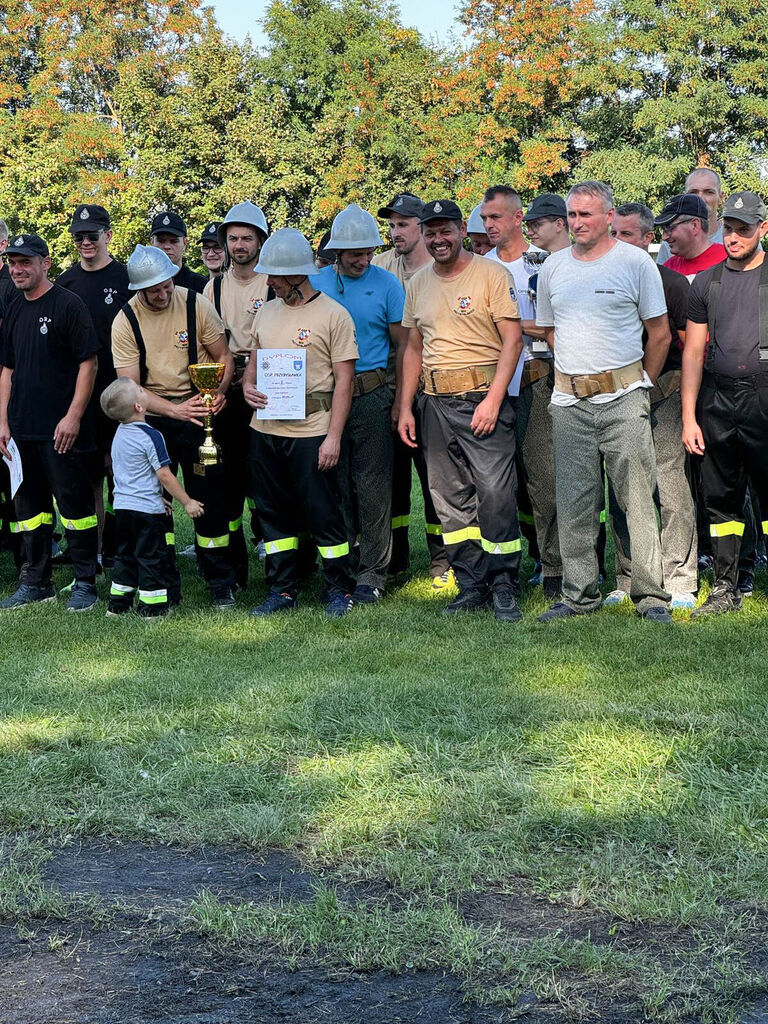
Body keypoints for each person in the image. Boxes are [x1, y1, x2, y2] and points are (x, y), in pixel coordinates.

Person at [535, 180, 673, 622]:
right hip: (568, 401)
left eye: (586, 215)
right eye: (572, 215)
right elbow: (550, 331)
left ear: (609, 217)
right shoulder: (554, 268)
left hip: (624, 399)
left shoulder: (635, 263)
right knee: (574, 502)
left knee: (636, 500)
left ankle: (650, 596)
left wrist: (641, 385)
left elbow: (660, 333)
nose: (577, 223)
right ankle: (579, 595)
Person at [398, 199, 525, 621]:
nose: (438, 240)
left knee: (494, 492)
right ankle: (471, 582)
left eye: (445, 231)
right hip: (433, 403)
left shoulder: (491, 273)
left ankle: (504, 581)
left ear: (460, 231)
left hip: (482, 398)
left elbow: (513, 341)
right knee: (448, 497)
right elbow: (413, 348)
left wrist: (493, 399)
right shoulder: (417, 283)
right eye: (430, 232)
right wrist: (406, 408)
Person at [111, 243, 236, 609]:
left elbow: (223, 357)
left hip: (200, 414)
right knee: (154, 505)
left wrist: (220, 392)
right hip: (152, 421)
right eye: (154, 289)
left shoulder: (196, 303)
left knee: (209, 497)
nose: (164, 293)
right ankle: (163, 578)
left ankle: (220, 582)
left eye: (167, 284)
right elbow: (130, 389)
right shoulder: (125, 321)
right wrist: (174, 411)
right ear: (139, 290)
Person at [242, 228, 358, 617]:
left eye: (274, 275)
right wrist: (246, 387)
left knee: (324, 512)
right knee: (273, 513)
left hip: (312, 431)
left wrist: (333, 438)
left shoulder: (333, 315)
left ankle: (339, 588)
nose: (268, 282)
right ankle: (282, 590)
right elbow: (253, 367)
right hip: (266, 431)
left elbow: (346, 380)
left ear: (296, 276)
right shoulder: (267, 310)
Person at [0, 233, 100, 611]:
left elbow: (88, 364)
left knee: (75, 509)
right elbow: (7, 369)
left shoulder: (68, 305)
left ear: (45, 262)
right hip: (21, 430)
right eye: (12, 262)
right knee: (29, 511)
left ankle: (86, 581)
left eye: (25, 261)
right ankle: (36, 580)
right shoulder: (14, 308)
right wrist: (2, 422)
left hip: (61, 432)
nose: (17, 268)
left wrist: (73, 417)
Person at [605, 203, 697, 607]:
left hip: (664, 393)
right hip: (612, 397)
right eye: (614, 234)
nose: (618, 242)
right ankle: (628, 577)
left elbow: (687, 344)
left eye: (627, 235)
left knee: (670, 485)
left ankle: (680, 578)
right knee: (621, 490)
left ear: (647, 239)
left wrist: (650, 384)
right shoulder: (600, 279)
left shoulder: (672, 284)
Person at [313, 204, 406, 604]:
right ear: (335, 252)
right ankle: (340, 566)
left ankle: (372, 573)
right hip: (323, 398)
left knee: (372, 485)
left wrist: (399, 400)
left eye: (368, 250)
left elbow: (403, 346)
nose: (362, 258)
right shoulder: (314, 282)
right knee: (332, 484)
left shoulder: (387, 284)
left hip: (370, 394)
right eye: (354, 252)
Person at [681, 191, 768, 616]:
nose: (733, 237)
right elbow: (693, 354)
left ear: (762, 229)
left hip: (764, 398)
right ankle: (725, 587)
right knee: (721, 498)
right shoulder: (706, 283)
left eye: (743, 229)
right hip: (717, 399)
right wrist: (688, 418)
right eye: (728, 229)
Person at [481, 186, 562, 597]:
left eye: (496, 217)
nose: (489, 226)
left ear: (518, 219)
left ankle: (554, 568)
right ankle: (520, 560)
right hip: (493, 382)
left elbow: (555, 326)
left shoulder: (544, 263)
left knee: (543, 479)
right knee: (503, 484)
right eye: (484, 219)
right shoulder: (479, 267)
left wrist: (512, 324)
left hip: (536, 376)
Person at [373, 192, 451, 589]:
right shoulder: (379, 267)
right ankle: (395, 559)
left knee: (438, 477)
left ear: (422, 229)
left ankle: (443, 560)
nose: (394, 232)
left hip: (432, 391)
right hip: (388, 389)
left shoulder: (439, 269)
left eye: (403, 224)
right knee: (392, 480)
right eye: (391, 224)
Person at [57, 203, 131, 567]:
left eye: (92, 235)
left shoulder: (127, 279)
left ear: (109, 235)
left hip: (122, 391)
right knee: (90, 479)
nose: (85, 242)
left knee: (124, 475)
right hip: (83, 397)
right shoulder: (66, 283)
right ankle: (96, 552)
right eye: (79, 236)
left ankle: (125, 550)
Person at [204, 201, 271, 587]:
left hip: (266, 388)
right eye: (233, 238)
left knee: (269, 476)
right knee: (226, 479)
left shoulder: (272, 282)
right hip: (226, 389)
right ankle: (234, 565)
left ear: (260, 241)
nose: (239, 245)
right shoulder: (211, 286)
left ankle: (284, 561)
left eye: (247, 238)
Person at [100, 377, 204, 618]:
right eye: (139, 390)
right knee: (150, 557)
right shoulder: (152, 435)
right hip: (146, 512)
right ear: (139, 407)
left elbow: (131, 472)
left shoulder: (119, 434)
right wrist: (187, 502)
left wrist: (157, 497)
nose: (143, 390)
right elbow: (165, 475)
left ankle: (117, 605)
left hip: (123, 508)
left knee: (125, 555)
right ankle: (152, 607)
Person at [657, 167, 725, 265]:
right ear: (684, 197)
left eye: (708, 192)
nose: (700, 198)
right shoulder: (670, 244)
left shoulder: (733, 240)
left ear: (720, 197)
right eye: (693, 192)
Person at [655, 194, 727, 280]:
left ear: (694, 225)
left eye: (670, 228)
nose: (664, 237)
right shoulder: (668, 267)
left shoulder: (728, 261)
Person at [149, 211, 207, 294]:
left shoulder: (200, 285)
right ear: (152, 242)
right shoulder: (139, 283)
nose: (167, 246)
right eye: (161, 241)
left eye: (173, 241)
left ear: (184, 243)